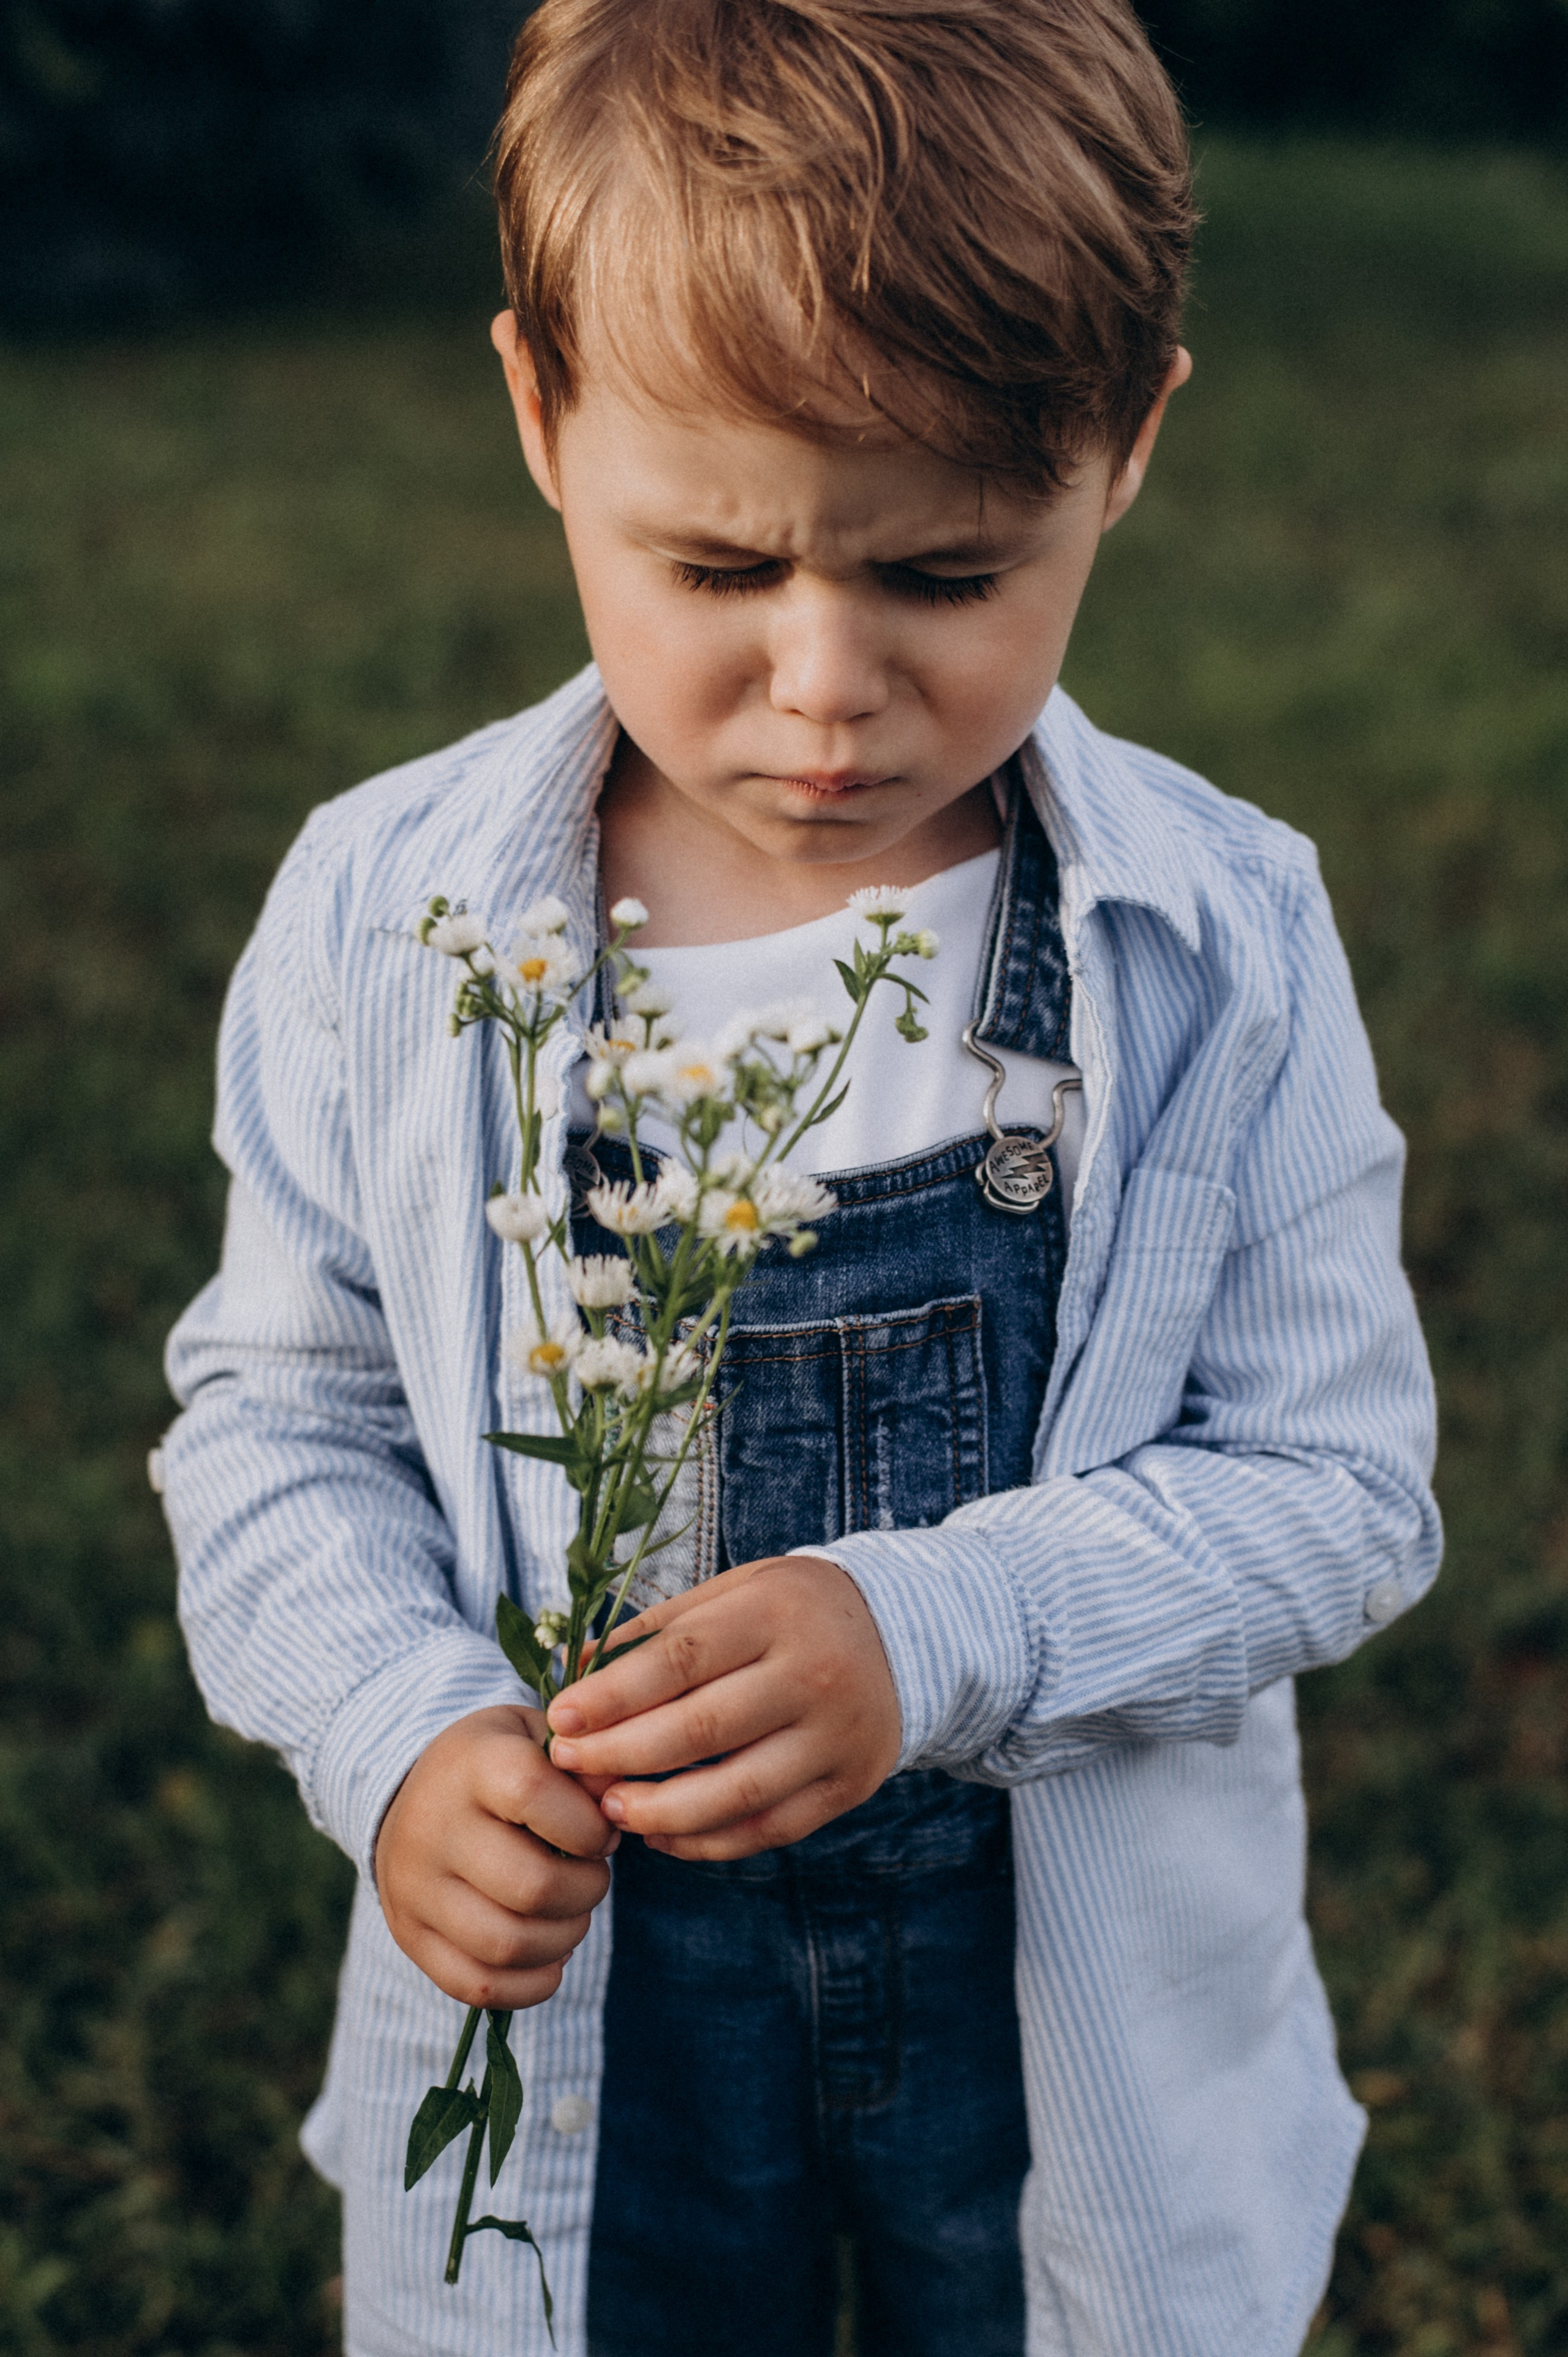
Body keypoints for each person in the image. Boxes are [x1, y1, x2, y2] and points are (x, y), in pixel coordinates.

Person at [156, 3, 1441, 2353]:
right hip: (593, 2017)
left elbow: (1340, 1483)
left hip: (1058, 2029)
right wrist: (399, 1729)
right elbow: (281, 1420)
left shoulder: (1218, 939)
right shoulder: (393, 919)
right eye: (722, 563)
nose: (828, 684)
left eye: (950, 577)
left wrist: (940, 1630)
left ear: (1128, 448)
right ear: (543, 415)